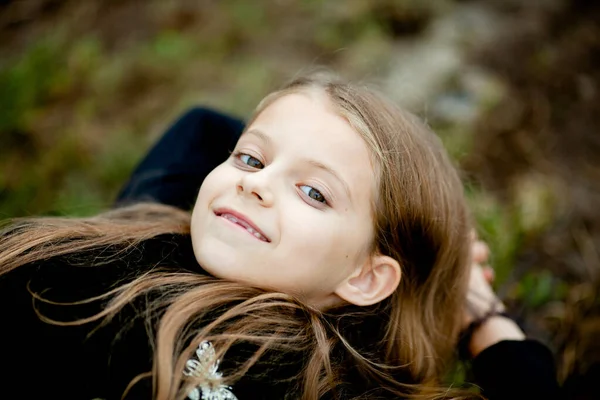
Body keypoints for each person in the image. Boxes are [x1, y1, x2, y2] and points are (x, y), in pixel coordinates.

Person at [0, 73, 560, 399]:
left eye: (315, 193)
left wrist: (482, 317)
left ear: (366, 276)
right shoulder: (149, 224)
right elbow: (202, 127)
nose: (257, 185)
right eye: (248, 157)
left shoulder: (305, 383)